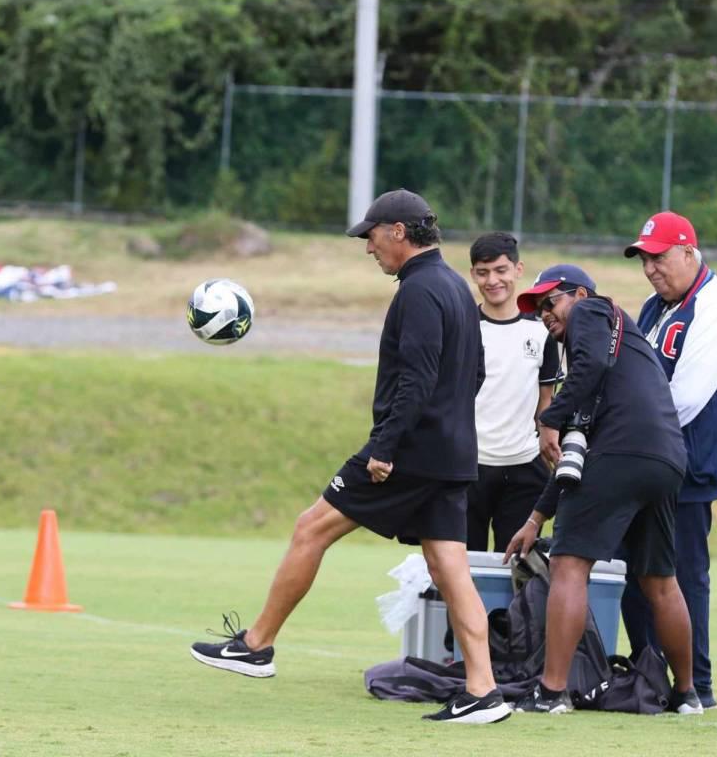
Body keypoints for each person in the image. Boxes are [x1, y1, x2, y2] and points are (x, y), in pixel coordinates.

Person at [190, 189, 511, 725]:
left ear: (399, 232)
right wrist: (445, 429)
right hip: (453, 454)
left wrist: (386, 446)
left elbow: (417, 378)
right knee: (450, 568)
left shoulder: (418, 291)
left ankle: (256, 645)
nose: (368, 247)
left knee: (311, 526)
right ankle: (483, 690)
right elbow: (473, 375)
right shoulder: (456, 287)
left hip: (407, 453)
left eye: (372, 235)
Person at [503, 264, 704, 715]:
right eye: (537, 310)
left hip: (622, 452)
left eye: (550, 302)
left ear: (577, 293)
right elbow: (574, 464)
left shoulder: (592, 312)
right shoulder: (609, 358)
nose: (545, 315)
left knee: (570, 564)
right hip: (665, 459)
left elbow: (588, 372)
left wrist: (548, 418)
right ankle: (687, 694)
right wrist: (537, 517)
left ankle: (551, 693)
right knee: (659, 580)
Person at [619, 211, 717, 711]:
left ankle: (698, 685)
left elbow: (685, 398)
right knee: (634, 570)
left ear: (690, 252)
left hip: (688, 464)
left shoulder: (713, 305)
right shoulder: (655, 307)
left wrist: (621, 427)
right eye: (644, 259)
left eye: (660, 256)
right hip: (649, 458)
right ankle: (647, 670)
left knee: (682, 574)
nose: (651, 267)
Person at [466, 232, 560, 551]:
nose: (493, 280)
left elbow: (545, 406)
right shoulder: (462, 325)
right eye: (483, 272)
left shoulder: (542, 330)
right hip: (468, 468)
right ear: (473, 275)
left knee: (516, 572)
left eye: (501, 270)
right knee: (463, 573)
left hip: (524, 470)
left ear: (518, 270)